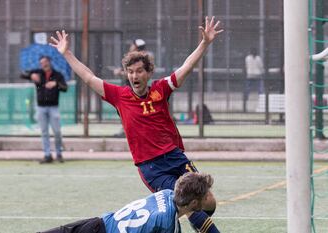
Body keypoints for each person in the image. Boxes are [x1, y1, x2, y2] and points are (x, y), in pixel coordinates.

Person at [50, 16, 223, 232]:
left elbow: (186, 67)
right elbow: (88, 77)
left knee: (208, 203)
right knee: (192, 207)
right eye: (130, 72)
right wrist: (66, 53)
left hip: (176, 156)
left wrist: (205, 43)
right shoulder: (119, 96)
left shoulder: (161, 88)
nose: (134, 76)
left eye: (139, 71)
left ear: (148, 72)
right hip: (152, 168)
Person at [37, 172, 214, 233]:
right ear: (192, 204)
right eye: (205, 196)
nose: (209, 198)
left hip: (97, 223)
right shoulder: (168, 223)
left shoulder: (166, 194)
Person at [21, 56, 68, 163]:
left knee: (57, 131)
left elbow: (65, 88)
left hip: (53, 107)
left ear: (50, 62)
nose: (44, 64)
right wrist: (31, 75)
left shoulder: (57, 75)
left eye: (46, 62)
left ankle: (59, 153)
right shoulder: (38, 73)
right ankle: (47, 155)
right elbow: (22, 74)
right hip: (41, 107)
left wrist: (56, 84)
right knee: (44, 132)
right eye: (42, 63)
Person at [113, 39, 153, 137]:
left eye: (134, 45)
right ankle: (127, 131)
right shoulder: (131, 58)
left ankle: (132, 131)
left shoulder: (145, 59)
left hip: (140, 92)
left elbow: (135, 75)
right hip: (129, 90)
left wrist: (121, 73)